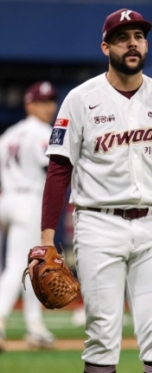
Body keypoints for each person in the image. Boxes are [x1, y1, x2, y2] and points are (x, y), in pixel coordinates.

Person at [27, 9, 152, 373]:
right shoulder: (81, 99)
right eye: (122, 37)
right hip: (98, 226)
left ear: (147, 45)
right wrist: (47, 238)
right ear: (106, 47)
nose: (132, 43)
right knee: (102, 337)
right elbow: (59, 170)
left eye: (139, 36)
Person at [0, 81, 58, 352]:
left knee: (33, 266)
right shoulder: (45, 133)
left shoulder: (8, 134)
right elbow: (53, 170)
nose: (49, 107)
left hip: (6, 200)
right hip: (29, 201)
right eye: (43, 102)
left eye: (51, 101)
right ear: (29, 104)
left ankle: (35, 327)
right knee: (16, 268)